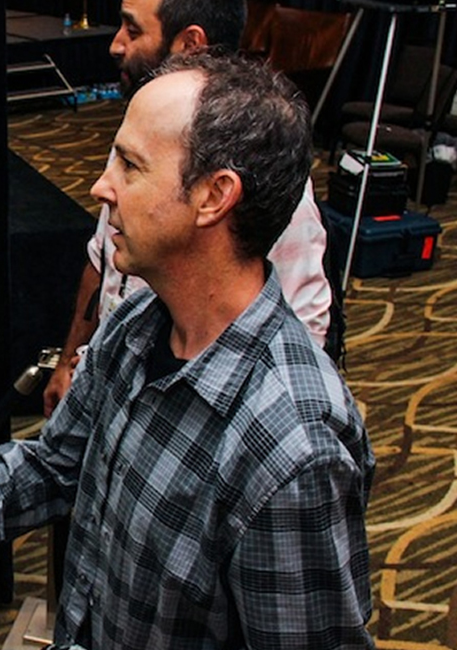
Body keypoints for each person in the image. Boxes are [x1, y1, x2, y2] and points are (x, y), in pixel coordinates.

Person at [0, 53, 375, 649]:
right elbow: (57, 466)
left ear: (214, 197)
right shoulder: (139, 320)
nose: (100, 184)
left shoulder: (291, 450)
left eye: (130, 165)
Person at [42, 0, 332, 417]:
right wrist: (70, 363)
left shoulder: (258, 164)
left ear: (190, 43)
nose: (116, 45)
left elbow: (304, 328)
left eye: (133, 30)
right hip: (113, 386)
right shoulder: (145, 130)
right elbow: (102, 259)